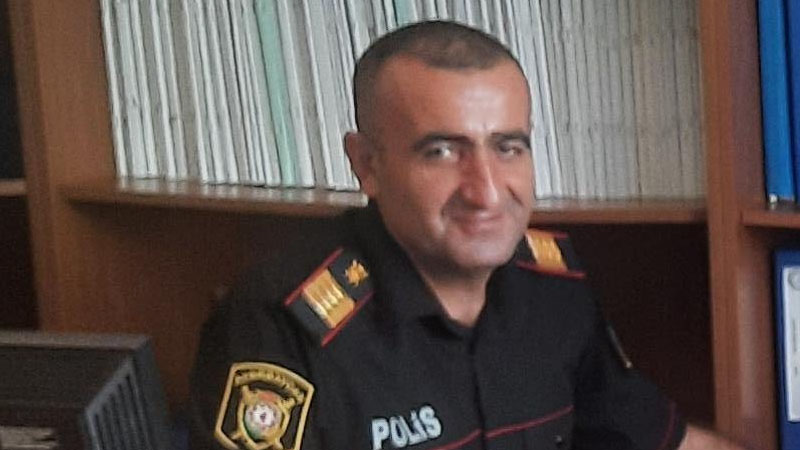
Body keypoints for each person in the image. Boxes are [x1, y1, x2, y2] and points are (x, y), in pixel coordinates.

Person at [190, 21, 746, 450]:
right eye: (441, 151)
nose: (486, 191)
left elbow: (656, 439)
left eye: (508, 147)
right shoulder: (281, 324)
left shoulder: (554, 290)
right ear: (367, 165)